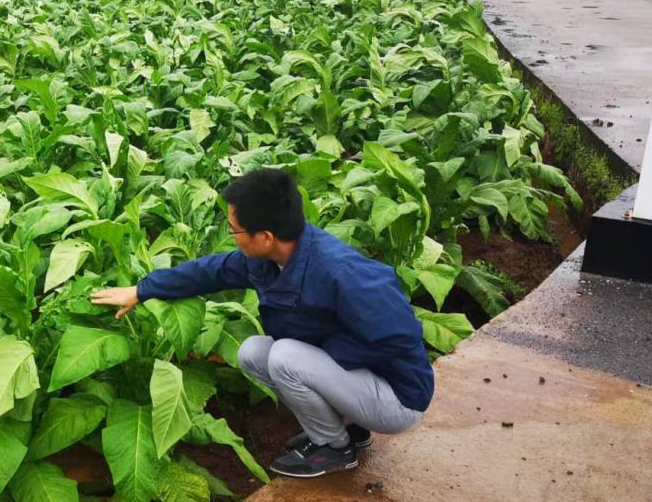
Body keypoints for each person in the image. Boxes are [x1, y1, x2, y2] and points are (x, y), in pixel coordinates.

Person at [91, 167, 433, 478]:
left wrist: (323, 349)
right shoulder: (272, 258)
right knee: (253, 352)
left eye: (234, 230)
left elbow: (401, 337)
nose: (231, 236)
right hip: (361, 386)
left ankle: (335, 448)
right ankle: (346, 427)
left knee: (286, 356)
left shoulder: (338, 271)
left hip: (399, 399)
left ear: (266, 236)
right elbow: (210, 271)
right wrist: (141, 290)